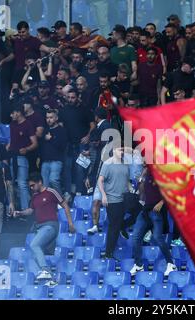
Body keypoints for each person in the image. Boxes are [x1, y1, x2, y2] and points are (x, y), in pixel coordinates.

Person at [13, 172, 75, 283]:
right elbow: (30, 210)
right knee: (39, 254)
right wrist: (20, 213)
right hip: (40, 229)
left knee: (34, 245)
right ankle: (51, 280)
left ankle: (45, 270)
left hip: (51, 226)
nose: (31, 188)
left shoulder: (51, 192)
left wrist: (70, 224)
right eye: (30, 186)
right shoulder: (35, 197)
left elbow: (65, 205)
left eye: (33, 185)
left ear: (40, 182)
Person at [130, 169, 177, 276]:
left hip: (156, 211)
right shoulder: (147, 173)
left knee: (157, 237)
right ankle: (138, 265)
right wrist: (142, 175)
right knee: (136, 236)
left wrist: (161, 202)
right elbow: (140, 188)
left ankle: (171, 264)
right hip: (145, 211)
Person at [59, 89, 95, 199]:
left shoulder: (84, 109)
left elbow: (93, 125)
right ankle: (68, 193)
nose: (70, 99)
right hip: (68, 144)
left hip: (82, 144)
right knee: (67, 169)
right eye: (68, 97)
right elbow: (60, 124)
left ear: (78, 97)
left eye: (73, 97)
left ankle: (79, 193)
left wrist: (88, 136)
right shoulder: (63, 110)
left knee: (80, 169)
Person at [97, 145, 130, 259]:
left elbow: (126, 180)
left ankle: (123, 226)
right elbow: (100, 180)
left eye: (123, 149)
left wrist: (131, 189)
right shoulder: (107, 164)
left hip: (124, 197)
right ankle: (108, 253)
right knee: (114, 226)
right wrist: (103, 195)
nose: (122, 151)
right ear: (114, 150)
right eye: (120, 149)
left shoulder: (125, 164)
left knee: (139, 206)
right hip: (112, 199)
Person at [86, 107, 112, 235]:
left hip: (110, 179)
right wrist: (89, 177)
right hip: (98, 179)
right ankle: (95, 226)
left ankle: (113, 226)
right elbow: (94, 164)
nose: (94, 145)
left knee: (110, 204)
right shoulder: (97, 152)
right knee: (96, 201)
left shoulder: (110, 152)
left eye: (95, 143)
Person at [7, 104, 38, 211]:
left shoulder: (28, 124)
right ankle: (11, 208)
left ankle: (26, 209)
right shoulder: (12, 124)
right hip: (12, 157)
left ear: (18, 112)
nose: (11, 116)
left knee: (22, 183)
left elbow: (35, 143)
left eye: (13, 113)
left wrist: (26, 149)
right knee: (9, 183)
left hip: (22, 158)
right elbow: (11, 140)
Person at [41, 109, 68, 194]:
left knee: (53, 180)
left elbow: (62, 146)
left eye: (51, 117)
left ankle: (61, 201)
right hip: (45, 161)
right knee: (45, 185)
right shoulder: (45, 130)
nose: (48, 120)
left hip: (56, 161)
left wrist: (51, 138)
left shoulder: (62, 130)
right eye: (47, 117)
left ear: (56, 118)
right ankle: (48, 203)